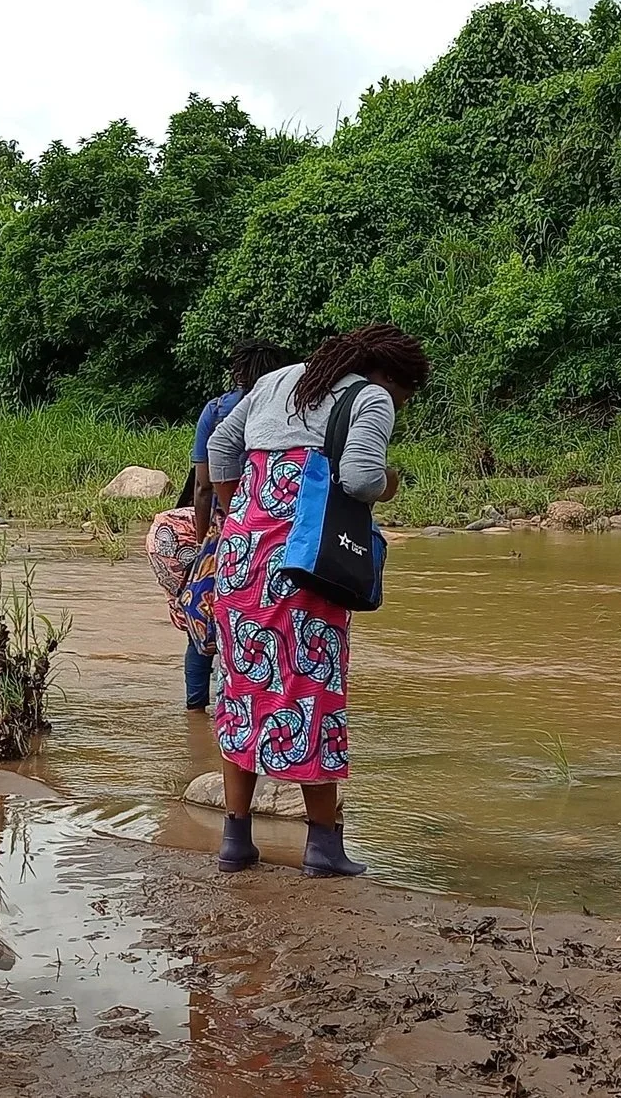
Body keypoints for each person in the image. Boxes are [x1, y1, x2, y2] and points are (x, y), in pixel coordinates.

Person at [204, 324, 429, 877]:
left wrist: (240, 514)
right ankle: (323, 846)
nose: (400, 403)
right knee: (312, 692)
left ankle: (236, 841)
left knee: (242, 691)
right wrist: (391, 483)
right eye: (406, 394)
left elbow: (219, 445)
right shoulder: (370, 397)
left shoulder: (277, 379)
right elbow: (358, 478)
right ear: (389, 376)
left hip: (242, 559)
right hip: (309, 564)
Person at [178, 339, 294, 715]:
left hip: (227, 526)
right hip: (280, 529)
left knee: (205, 620)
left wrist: (203, 543)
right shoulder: (294, 409)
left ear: (239, 373)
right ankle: (266, 704)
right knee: (272, 621)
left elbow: (203, 486)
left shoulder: (217, 411)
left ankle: (197, 714)